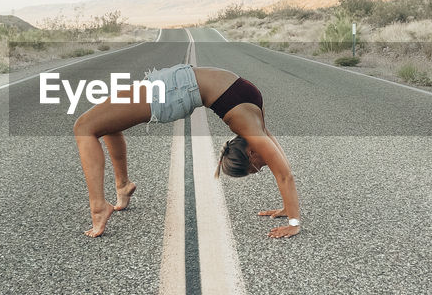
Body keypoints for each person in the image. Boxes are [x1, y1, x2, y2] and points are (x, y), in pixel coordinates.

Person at [72, 63, 301, 239]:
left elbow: (282, 167)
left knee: (88, 126)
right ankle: (118, 190)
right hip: (176, 88)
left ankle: (102, 204)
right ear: (250, 154)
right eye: (258, 167)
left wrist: (289, 210)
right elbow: (284, 174)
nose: (265, 164)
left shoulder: (253, 123)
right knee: (92, 126)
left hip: (178, 85)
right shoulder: (252, 129)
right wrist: (293, 223)